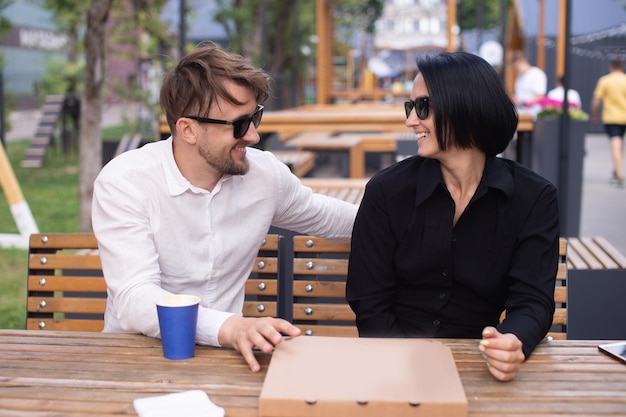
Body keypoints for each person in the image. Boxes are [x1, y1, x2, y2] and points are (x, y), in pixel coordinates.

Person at [92, 42, 358, 372]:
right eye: (239, 124)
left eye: (255, 117)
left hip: (226, 359)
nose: (254, 136)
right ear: (187, 129)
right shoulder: (126, 181)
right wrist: (231, 327)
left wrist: (423, 215)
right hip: (135, 358)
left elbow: (331, 218)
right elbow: (135, 297)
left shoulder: (264, 175)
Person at [346, 52, 560, 382]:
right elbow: (370, 302)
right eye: (410, 107)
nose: (410, 121)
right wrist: (404, 366)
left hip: (482, 366)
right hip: (393, 363)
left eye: (423, 107)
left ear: (465, 107)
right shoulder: (387, 191)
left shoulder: (534, 198)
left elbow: (533, 300)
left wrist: (513, 341)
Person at [591, 58, 626, 188]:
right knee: (620, 143)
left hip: (611, 116)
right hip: (624, 116)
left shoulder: (605, 80)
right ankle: (616, 170)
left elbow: (597, 100)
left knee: (615, 144)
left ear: (611, 67)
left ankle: (620, 173)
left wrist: (594, 113)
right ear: (621, 67)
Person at [510, 51, 547, 115]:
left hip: (533, 113)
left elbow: (540, 95)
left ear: (524, 62)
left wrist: (525, 103)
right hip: (521, 111)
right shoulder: (519, 76)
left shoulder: (537, 74)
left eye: (516, 67)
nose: (516, 70)